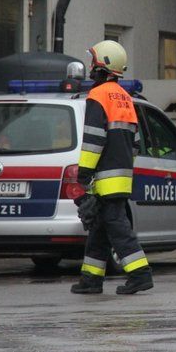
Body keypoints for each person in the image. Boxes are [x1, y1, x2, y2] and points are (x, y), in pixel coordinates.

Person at [70, 40, 153, 295]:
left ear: (102, 66)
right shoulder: (126, 98)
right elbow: (135, 144)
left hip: (103, 178)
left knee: (117, 227)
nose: (90, 67)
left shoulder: (98, 96)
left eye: (93, 62)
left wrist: (84, 173)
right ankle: (91, 279)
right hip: (121, 177)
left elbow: (93, 139)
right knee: (100, 228)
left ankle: (140, 274)